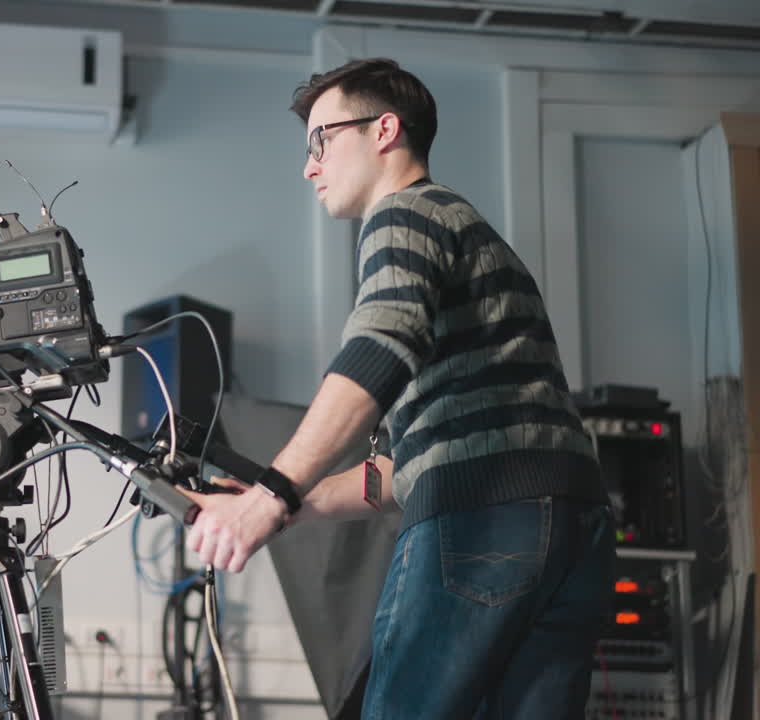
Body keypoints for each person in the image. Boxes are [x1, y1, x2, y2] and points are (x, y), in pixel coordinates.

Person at [183, 58, 615, 718]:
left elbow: (381, 349)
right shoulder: (465, 229)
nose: (310, 166)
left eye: (321, 140)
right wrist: (298, 504)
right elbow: (403, 466)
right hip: (570, 524)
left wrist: (271, 493)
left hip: (486, 522)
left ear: (383, 129)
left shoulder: (403, 215)